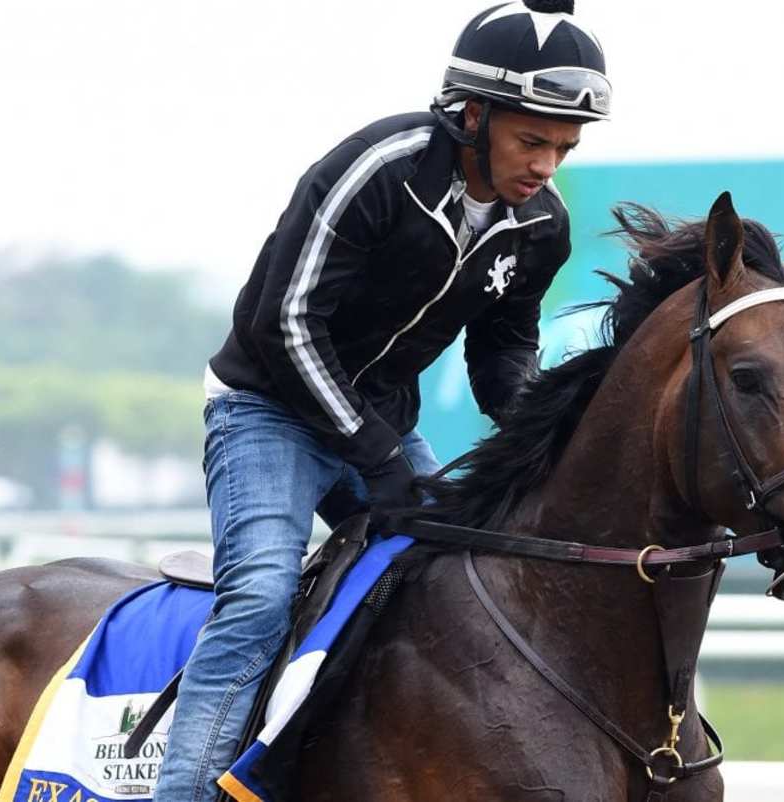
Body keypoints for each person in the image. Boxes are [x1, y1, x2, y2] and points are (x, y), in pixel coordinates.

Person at [153, 1, 610, 799]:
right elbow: (282, 323)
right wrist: (378, 454)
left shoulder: (543, 224)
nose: (546, 166)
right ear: (472, 115)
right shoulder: (379, 168)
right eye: (531, 141)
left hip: (381, 422)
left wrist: (540, 430)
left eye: (564, 148)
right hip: (264, 410)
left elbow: (501, 348)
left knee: (464, 582)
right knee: (261, 598)